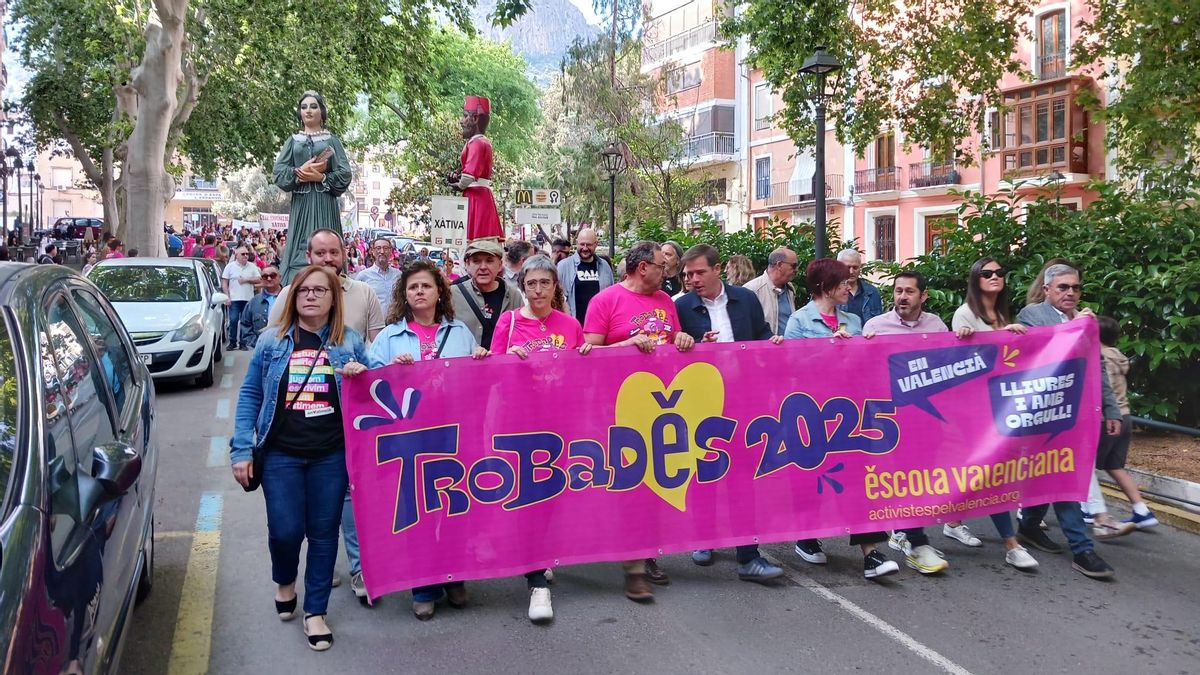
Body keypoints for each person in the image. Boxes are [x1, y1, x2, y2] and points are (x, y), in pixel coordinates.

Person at [230, 264, 370, 652]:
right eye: (305, 290)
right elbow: (250, 396)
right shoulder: (271, 342)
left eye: (320, 291)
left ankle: (315, 612)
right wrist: (242, 449)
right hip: (280, 455)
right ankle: (285, 579)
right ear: (294, 296)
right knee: (285, 530)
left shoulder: (350, 342)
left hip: (331, 455)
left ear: (332, 299)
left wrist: (363, 375)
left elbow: (377, 392)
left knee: (324, 535)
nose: (311, 295)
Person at [367, 259, 488, 620]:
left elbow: (476, 382)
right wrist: (389, 371)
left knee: (455, 507)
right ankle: (424, 585)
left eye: (425, 286)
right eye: (412, 288)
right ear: (405, 296)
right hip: (409, 441)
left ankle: (456, 576)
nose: (419, 292)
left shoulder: (461, 333)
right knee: (418, 512)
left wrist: (481, 359)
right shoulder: (389, 338)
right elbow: (370, 385)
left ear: (439, 292)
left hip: (454, 436)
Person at [583, 240, 697, 601]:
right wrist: (626, 346)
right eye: (663, 267)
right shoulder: (605, 301)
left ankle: (644, 553)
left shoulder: (665, 302)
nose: (669, 273)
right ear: (642, 267)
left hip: (662, 407)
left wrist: (683, 338)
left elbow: (673, 342)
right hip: (617, 407)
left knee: (654, 481)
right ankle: (633, 566)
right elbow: (586, 354)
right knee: (630, 482)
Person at [488, 254, 593, 622]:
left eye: (544, 283)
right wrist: (506, 360)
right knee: (528, 496)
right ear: (523, 286)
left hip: (560, 423)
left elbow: (582, 376)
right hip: (519, 425)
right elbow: (489, 375)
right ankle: (537, 583)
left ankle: (539, 553)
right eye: (530, 283)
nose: (537, 290)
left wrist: (585, 355)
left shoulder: (569, 324)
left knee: (552, 497)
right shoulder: (509, 322)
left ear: (555, 286)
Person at [783, 258, 900, 580]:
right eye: (844, 283)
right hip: (814, 414)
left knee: (857, 479)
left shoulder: (854, 319)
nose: (850, 288)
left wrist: (867, 351)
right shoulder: (799, 320)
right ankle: (807, 537)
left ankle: (871, 553)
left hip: (850, 414)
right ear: (825, 287)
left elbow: (862, 369)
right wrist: (828, 350)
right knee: (814, 479)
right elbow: (791, 369)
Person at [675, 244, 786, 582]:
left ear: (717, 269)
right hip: (701, 403)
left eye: (699, 272)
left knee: (742, 479)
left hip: (743, 401)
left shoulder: (745, 299)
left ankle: (748, 556)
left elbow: (760, 336)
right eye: (688, 275)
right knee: (704, 476)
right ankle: (705, 538)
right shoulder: (680, 307)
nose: (693, 280)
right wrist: (693, 344)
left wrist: (774, 344)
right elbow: (671, 353)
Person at [1015, 263, 1119, 579]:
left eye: (1075, 287)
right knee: (1061, 476)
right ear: (1047, 290)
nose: (1070, 293)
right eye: (1063, 287)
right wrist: (1081, 327)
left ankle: (1029, 526)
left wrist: (1112, 409)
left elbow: (1097, 368)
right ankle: (1082, 548)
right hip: (1042, 414)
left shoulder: (1084, 322)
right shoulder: (1032, 315)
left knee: (1051, 473)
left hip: (1076, 415)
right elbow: (1043, 348)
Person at [856, 272, 953, 575]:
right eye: (898, 291)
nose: (902, 297)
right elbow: (861, 371)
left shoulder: (937, 326)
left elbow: (947, 366)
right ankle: (914, 539)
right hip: (888, 417)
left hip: (925, 418)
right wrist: (862, 347)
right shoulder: (874, 326)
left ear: (923, 296)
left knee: (919, 477)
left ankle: (908, 534)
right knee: (891, 477)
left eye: (909, 291)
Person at [948, 257, 1039, 569]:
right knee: (992, 473)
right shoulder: (965, 313)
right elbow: (966, 361)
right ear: (976, 279)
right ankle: (1011, 544)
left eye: (1000, 272)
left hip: (1002, 405)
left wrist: (1015, 335)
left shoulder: (1001, 313)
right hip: (976, 410)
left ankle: (952, 519)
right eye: (987, 273)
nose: (995, 277)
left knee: (981, 472)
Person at [1085, 317, 1157, 533]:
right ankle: (1142, 509)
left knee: (1084, 464)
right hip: (1125, 417)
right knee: (1114, 466)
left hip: (1105, 419)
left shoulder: (1100, 358)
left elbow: (1099, 390)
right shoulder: (1119, 357)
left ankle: (1092, 510)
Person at [273, 90, 353, 285]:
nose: (308, 110)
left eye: (313, 106)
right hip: (301, 203)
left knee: (327, 244)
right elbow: (278, 173)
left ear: (322, 112)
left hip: (325, 203)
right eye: (304, 107)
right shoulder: (293, 141)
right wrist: (300, 172)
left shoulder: (332, 140)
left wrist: (321, 177)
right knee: (299, 250)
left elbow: (345, 173)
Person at [268, 229, 385, 343]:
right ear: (308, 257)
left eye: (334, 252)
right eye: (320, 253)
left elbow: (378, 346)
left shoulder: (365, 292)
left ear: (344, 254)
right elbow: (270, 342)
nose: (328, 259)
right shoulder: (290, 293)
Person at [447, 96, 503, 241]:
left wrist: (459, 185)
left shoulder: (477, 143)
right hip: (481, 196)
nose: (461, 121)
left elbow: (469, 175)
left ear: (476, 118)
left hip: (476, 198)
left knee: (474, 241)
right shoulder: (481, 143)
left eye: (465, 116)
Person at [449, 239, 523, 348]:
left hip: (503, 363)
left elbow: (522, 332)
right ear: (467, 264)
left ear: (500, 265)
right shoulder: (453, 294)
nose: (483, 267)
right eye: (476, 261)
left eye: (489, 261)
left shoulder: (513, 296)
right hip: (464, 363)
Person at [557, 228, 614, 321]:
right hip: (573, 325)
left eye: (589, 245)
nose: (585, 248)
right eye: (582, 244)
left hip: (600, 325)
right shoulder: (563, 266)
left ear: (596, 244)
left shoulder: (604, 266)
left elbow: (611, 296)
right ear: (576, 243)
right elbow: (557, 297)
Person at [743, 247, 799, 336]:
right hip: (765, 348)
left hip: (790, 347)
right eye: (794, 266)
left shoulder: (790, 289)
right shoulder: (752, 290)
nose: (796, 270)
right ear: (779, 265)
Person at [222, 247, 263, 350]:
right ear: (237, 255)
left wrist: (246, 279)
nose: (245, 256)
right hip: (234, 298)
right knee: (233, 320)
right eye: (243, 254)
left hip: (248, 298)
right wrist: (227, 296)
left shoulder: (252, 266)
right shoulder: (230, 267)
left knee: (245, 322)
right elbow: (225, 282)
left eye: (247, 254)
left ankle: (243, 343)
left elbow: (259, 279)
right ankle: (232, 341)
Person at [354, 237, 403, 317]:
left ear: (390, 251)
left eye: (385, 248)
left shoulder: (398, 275)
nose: (382, 251)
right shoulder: (363, 276)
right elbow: (356, 303)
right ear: (372, 251)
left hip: (396, 323)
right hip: (374, 326)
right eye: (378, 248)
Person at [240, 265, 283, 349]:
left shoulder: (290, 298)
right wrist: (256, 343)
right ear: (261, 279)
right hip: (262, 351)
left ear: (279, 277)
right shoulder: (254, 302)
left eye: (273, 275)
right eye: (265, 276)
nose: (269, 278)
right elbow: (245, 325)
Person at [835, 249, 883, 325]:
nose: (851, 271)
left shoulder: (872, 292)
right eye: (847, 267)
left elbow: (879, 323)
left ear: (860, 268)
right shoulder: (829, 292)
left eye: (855, 267)